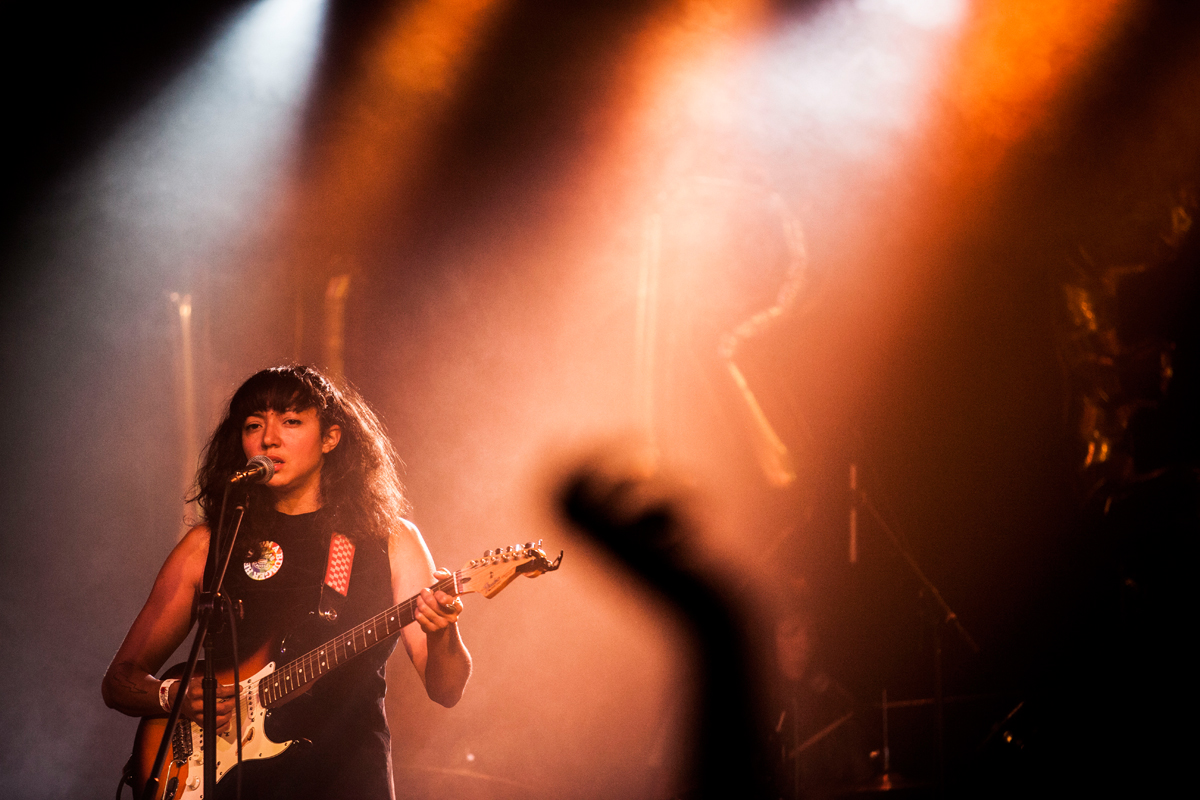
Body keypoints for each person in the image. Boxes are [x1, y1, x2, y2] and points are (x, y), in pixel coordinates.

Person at [102, 365, 472, 799]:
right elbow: (119, 681)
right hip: (226, 782)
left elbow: (445, 690)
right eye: (253, 425)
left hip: (346, 778)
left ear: (331, 438)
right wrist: (173, 698)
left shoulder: (390, 539)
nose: (268, 439)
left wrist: (444, 630)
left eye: (291, 421)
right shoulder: (210, 544)